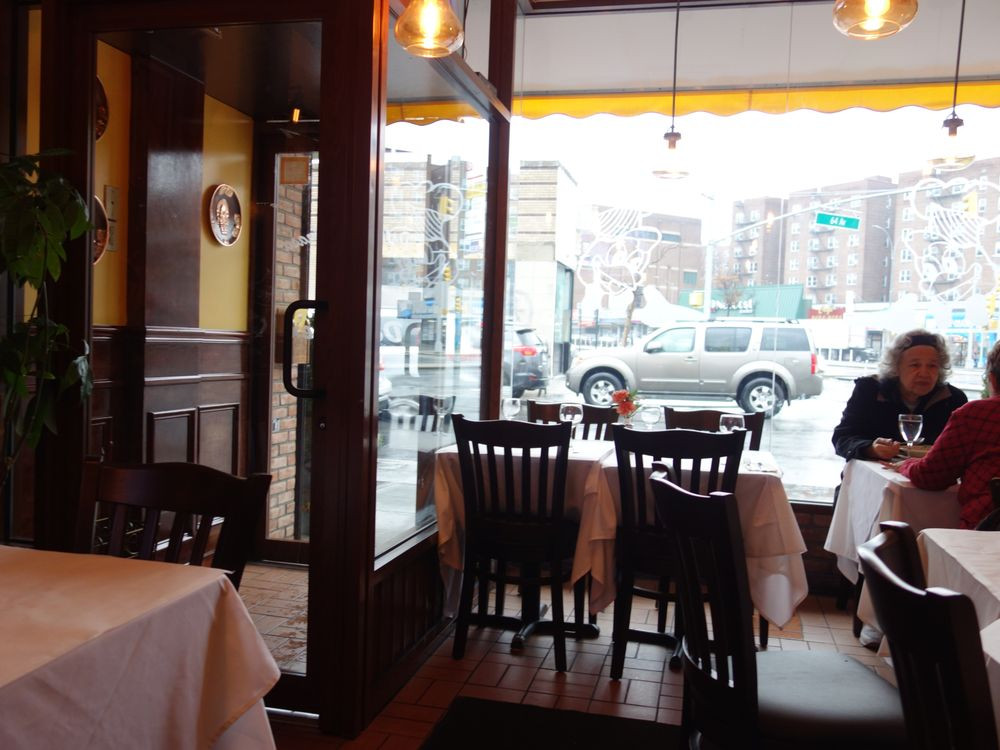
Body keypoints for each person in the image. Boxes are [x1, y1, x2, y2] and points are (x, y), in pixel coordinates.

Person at [891, 340, 1000, 528]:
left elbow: (931, 476)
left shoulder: (976, 413)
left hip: (984, 535)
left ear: (991, 379)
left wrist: (906, 465)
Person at [832, 329, 967, 462]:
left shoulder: (952, 399)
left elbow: (963, 449)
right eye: (915, 365)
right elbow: (842, 437)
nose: (924, 373)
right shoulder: (870, 391)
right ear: (896, 368)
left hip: (929, 480)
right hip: (873, 478)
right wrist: (870, 449)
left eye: (932, 366)